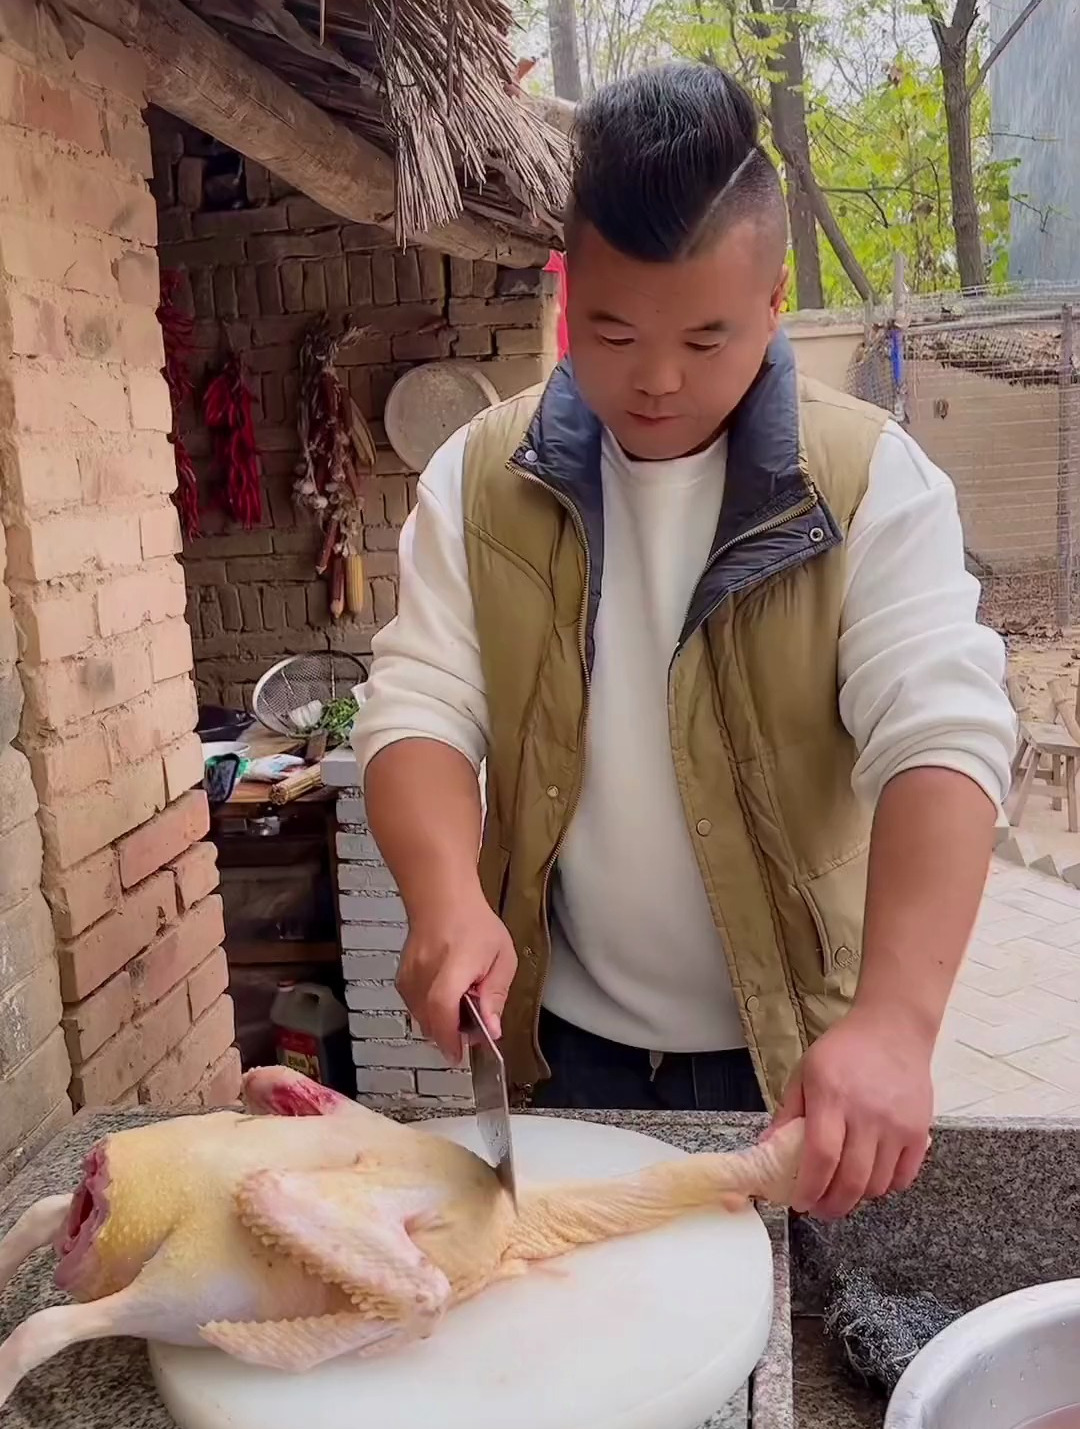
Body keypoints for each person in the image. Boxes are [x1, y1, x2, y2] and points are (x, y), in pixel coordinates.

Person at [351, 62, 1017, 1220]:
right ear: (567, 298)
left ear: (774, 303)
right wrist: (444, 893)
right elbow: (420, 706)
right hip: (560, 1052)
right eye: (611, 332)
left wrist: (898, 1026)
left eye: (708, 340)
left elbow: (943, 735)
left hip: (799, 1057)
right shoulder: (479, 479)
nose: (656, 379)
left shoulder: (867, 483)